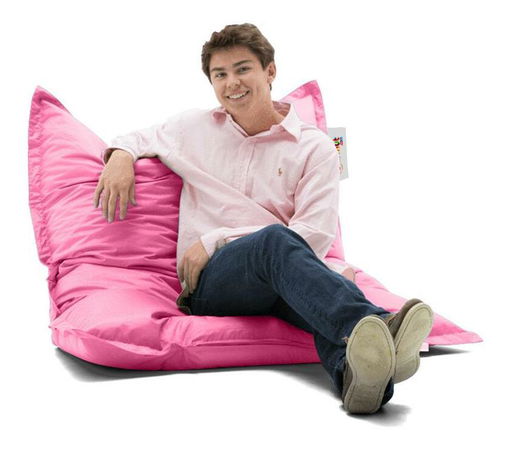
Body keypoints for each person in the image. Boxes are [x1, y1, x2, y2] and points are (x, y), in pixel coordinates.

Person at [92, 23, 433, 415]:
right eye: (220, 74)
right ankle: (378, 325)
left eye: (243, 69)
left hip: (285, 276)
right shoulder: (192, 128)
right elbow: (136, 137)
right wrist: (120, 157)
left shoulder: (316, 148)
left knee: (322, 290)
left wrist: (217, 238)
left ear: (270, 71)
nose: (231, 83)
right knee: (282, 247)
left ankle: (359, 382)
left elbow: (314, 235)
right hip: (211, 284)